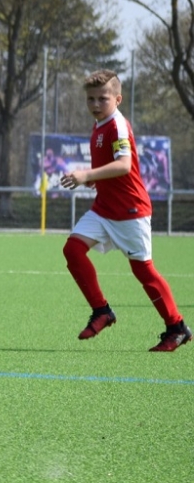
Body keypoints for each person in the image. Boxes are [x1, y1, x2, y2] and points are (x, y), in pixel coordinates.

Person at [59, 69, 189, 352]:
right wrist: (95, 179)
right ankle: (102, 311)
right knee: (72, 250)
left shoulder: (117, 125)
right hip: (105, 210)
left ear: (118, 99)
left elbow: (124, 165)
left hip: (131, 211)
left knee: (144, 272)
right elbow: (113, 169)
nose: (95, 104)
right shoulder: (99, 125)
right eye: (90, 99)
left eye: (102, 98)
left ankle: (176, 327)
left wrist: (87, 174)